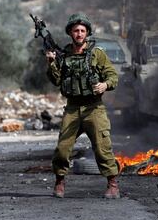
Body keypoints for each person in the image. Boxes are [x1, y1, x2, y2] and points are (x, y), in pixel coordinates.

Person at [46, 12, 120, 199]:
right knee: (63, 148)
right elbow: (56, 81)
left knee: (103, 148)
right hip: (72, 108)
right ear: (70, 33)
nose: (79, 34)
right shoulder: (63, 55)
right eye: (75, 31)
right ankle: (60, 182)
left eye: (82, 30)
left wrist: (104, 84)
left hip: (94, 108)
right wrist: (51, 63)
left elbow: (113, 76)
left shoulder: (97, 54)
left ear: (87, 32)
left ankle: (112, 185)